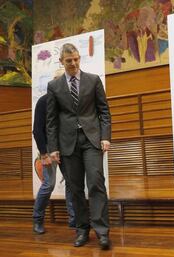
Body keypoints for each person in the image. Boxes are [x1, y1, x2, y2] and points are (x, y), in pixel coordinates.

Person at [47, 43, 112, 250]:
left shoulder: (93, 80)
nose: (73, 63)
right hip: (67, 144)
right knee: (74, 188)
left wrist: (105, 136)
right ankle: (82, 230)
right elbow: (51, 121)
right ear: (62, 62)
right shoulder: (54, 86)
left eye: (76, 59)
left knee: (95, 183)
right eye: (69, 61)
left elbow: (104, 111)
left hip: (92, 140)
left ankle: (102, 232)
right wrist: (53, 147)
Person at [32, 92, 75, 234]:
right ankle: (38, 219)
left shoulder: (69, 100)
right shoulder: (43, 101)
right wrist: (44, 154)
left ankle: (73, 218)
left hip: (66, 145)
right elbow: (37, 129)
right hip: (49, 147)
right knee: (49, 184)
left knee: (71, 180)